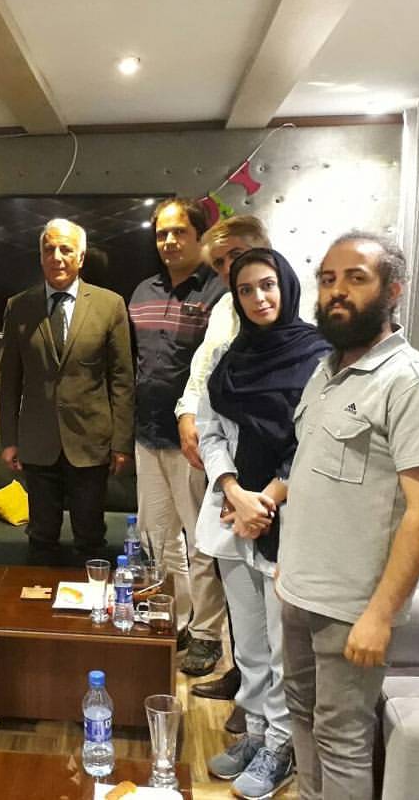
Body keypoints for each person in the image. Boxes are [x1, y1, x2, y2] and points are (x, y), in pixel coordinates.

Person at [279, 232, 419, 799]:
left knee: (342, 738)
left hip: (352, 606)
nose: (337, 291)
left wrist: (379, 616)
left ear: (392, 291)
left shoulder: (413, 383)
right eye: (328, 279)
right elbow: (316, 475)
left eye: (356, 278)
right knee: (301, 713)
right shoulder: (325, 371)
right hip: (299, 591)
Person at [197, 248, 331, 799]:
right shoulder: (229, 358)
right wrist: (233, 490)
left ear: (288, 286)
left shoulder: (320, 358)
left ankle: (282, 744)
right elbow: (209, 431)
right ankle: (254, 731)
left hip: (286, 518)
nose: (258, 298)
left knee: (282, 647)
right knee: (248, 643)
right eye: (246, 290)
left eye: (267, 285)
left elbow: (313, 442)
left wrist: (266, 500)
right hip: (233, 514)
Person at [127, 198, 227, 677]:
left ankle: (207, 634)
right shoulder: (141, 291)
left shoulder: (219, 292)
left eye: (179, 232)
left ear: (199, 236)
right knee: (159, 540)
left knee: (202, 544)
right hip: (147, 436)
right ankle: (179, 620)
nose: (169, 241)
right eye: (162, 234)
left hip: (196, 443)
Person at [175, 214, 272, 711]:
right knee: (236, 581)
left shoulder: (282, 309)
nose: (229, 268)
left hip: (269, 471)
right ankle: (244, 679)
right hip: (224, 462)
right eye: (219, 263)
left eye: (235, 255)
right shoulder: (224, 309)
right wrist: (186, 414)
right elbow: (203, 372)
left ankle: (265, 702)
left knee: (265, 591)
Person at [0, 218, 134, 562]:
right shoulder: (19, 306)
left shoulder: (110, 305)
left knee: (90, 537)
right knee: (41, 536)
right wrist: (9, 438)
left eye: (66, 249)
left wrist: (121, 442)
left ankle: (91, 597)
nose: (56, 257)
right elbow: (10, 379)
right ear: (40, 256)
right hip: (37, 443)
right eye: (49, 249)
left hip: (91, 443)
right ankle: (40, 597)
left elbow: (122, 378)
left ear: (81, 257)